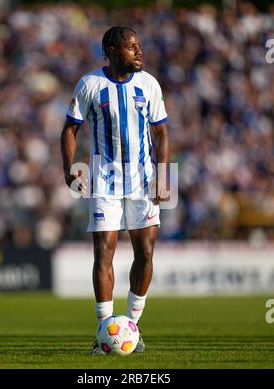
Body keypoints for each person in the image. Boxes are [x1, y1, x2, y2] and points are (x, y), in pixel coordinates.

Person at [60, 25, 169, 354]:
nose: (139, 52)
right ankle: (103, 331)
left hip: (143, 180)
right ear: (111, 50)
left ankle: (133, 327)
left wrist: (164, 176)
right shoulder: (90, 84)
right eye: (131, 47)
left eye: (139, 46)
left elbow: (162, 133)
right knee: (103, 253)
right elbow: (69, 129)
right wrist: (70, 169)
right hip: (104, 181)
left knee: (146, 253)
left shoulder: (148, 84)